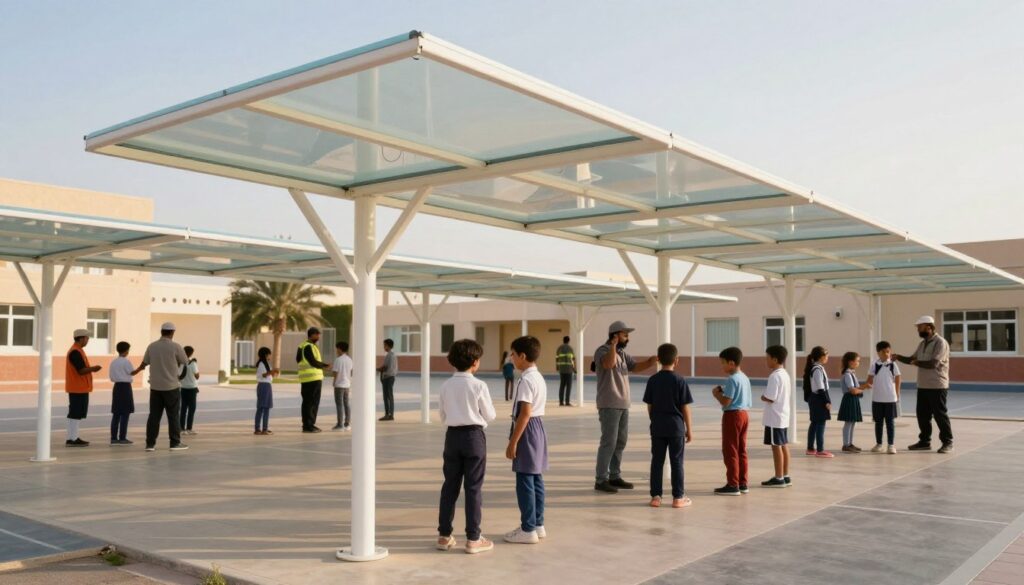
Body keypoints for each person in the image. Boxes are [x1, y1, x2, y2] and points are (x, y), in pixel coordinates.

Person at [436, 339, 497, 555]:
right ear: (474, 361)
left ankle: (444, 535)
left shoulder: (445, 385)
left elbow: (442, 414)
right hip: (473, 437)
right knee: (473, 488)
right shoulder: (479, 385)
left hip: (452, 437)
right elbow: (490, 414)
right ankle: (473, 538)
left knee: (449, 486)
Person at [593, 321, 657, 494]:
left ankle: (614, 476)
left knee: (620, 442)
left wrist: (651, 361)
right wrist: (613, 345)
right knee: (609, 442)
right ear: (615, 335)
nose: (627, 337)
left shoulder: (622, 353)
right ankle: (601, 479)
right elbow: (608, 364)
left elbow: (635, 367)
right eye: (625, 334)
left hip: (623, 404)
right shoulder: (603, 351)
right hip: (609, 404)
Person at [504, 336, 549, 545]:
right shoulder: (538, 377)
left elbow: (524, 413)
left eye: (513, 354)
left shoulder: (525, 380)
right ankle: (538, 524)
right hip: (538, 427)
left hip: (527, 429)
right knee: (536, 478)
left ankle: (527, 528)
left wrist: (513, 442)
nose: (511, 358)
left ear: (522, 356)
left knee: (524, 481)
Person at [642, 343, 693, 509]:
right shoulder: (679, 380)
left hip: (657, 427)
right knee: (677, 461)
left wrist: (654, 419)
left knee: (657, 461)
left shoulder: (653, 380)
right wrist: (689, 430)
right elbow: (685, 407)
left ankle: (656, 497)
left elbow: (649, 405)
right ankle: (678, 497)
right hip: (676, 427)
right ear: (676, 361)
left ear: (658, 359)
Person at [894, 316, 954, 453]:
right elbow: (911, 359)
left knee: (940, 414)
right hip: (923, 385)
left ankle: (948, 442)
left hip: (937, 385)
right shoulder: (922, 343)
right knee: (922, 415)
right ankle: (924, 441)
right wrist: (898, 357)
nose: (918, 330)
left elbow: (934, 364)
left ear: (929, 327)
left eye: (919, 327)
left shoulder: (941, 343)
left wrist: (916, 362)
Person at [138, 322, 189, 452]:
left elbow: (145, 362)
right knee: (173, 416)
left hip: (155, 387)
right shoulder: (176, 347)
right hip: (171, 387)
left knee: (154, 416)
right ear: (172, 332)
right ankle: (174, 443)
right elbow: (185, 362)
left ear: (162, 332)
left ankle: (150, 444)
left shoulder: (152, 346)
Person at [711, 346, 751, 496]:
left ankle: (732, 484)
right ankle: (743, 482)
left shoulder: (732, 379)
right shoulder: (744, 377)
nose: (722, 366)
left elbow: (726, 401)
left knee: (730, 450)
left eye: (723, 363)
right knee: (741, 449)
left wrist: (716, 394)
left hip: (732, 416)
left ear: (732, 363)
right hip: (744, 414)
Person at [760, 345, 792, 488]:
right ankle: (785, 475)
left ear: (774, 359)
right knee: (783, 445)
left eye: (767, 358)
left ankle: (778, 477)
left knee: (776, 446)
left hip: (774, 417)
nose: (766, 361)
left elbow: (770, 397)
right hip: (783, 415)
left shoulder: (774, 376)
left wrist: (763, 397)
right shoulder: (784, 374)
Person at [65, 328, 102, 447]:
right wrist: (93, 369)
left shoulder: (78, 350)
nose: (88, 340)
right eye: (87, 338)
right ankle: (72, 438)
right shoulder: (75, 352)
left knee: (76, 413)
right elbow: (81, 370)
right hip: (77, 387)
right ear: (81, 338)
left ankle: (73, 437)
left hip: (79, 387)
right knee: (75, 413)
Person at [866, 341, 901, 454]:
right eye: (884, 352)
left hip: (890, 399)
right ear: (878, 353)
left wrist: (897, 393)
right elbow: (869, 379)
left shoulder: (893, 365)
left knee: (890, 422)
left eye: (888, 351)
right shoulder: (874, 365)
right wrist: (861, 387)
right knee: (878, 422)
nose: (886, 354)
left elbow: (898, 378)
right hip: (877, 399)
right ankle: (879, 444)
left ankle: (891, 445)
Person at [296, 327, 330, 433]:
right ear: (311, 335)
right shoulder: (308, 346)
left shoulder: (302, 346)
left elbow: (298, 360)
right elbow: (313, 362)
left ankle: (307, 425)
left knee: (307, 403)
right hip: (313, 379)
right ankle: (309, 425)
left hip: (306, 379)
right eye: (317, 334)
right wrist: (325, 366)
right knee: (312, 403)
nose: (319, 336)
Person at [109, 341, 142, 445]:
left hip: (117, 387)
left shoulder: (113, 362)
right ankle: (122, 437)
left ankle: (113, 438)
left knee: (116, 413)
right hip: (125, 388)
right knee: (125, 413)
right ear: (127, 350)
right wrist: (140, 368)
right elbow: (132, 372)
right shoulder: (126, 362)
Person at [803, 346, 833, 458]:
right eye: (826, 356)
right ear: (821, 357)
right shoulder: (817, 370)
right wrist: (826, 401)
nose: (827, 358)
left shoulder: (817, 368)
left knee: (815, 423)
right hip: (818, 398)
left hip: (815, 397)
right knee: (820, 423)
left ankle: (810, 448)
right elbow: (821, 388)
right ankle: (820, 450)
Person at [838, 352, 869, 453]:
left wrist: (862, 388)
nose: (858, 363)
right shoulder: (847, 374)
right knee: (849, 422)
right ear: (851, 362)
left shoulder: (851, 373)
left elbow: (856, 389)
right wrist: (863, 388)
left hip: (853, 399)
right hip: (849, 398)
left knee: (852, 422)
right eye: (857, 361)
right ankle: (846, 444)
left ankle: (849, 443)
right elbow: (853, 390)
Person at [254, 347, 279, 435]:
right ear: (265, 355)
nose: (270, 356)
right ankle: (263, 429)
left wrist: (274, 372)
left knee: (262, 408)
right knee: (264, 408)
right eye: (269, 354)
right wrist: (272, 371)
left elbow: (268, 374)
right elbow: (264, 375)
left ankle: (260, 428)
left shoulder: (265, 363)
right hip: (264, 385)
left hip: (266, 385)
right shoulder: (262, 364)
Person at [332, 341, 354, 431]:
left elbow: (335, 372)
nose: (336, 350)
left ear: (340, 349)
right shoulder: (349, 359)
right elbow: (351, 372)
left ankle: (340, 424)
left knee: (339, 404)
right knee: (346, 404)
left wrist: (334, 381)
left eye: (337, 348)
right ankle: (347, 424)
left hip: (339, 384)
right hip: (347, 384)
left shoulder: (338, 360)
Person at [178, 346, 200, 435]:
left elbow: (178, 375)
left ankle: (181, 429)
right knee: (192, 409)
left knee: (183, 409)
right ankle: (189, 428)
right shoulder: (193, 363)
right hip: (192, 389)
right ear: (191, 353)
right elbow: (197, 376)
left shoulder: (180, 363)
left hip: (183, 388)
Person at [377, 338, 398, 421]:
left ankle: (388, 414)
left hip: (388, 378)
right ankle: (390, 414)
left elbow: (385, 367)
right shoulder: (392, 355)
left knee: (387, 396)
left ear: (388, 346)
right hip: (390, 377)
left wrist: (377, 369)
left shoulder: (389, 355)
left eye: (385, 345)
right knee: (389, 396)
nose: (384, 347)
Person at [555, 336, 576, 407]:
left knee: (562, 385)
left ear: (563, 340)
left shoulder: (559, 348)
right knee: (568, 386)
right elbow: (573, 360)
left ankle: (561, 402)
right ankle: (567, 402)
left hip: (562, 369)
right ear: (568, 341)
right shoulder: (570, 349)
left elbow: (557, 359)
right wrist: (574, 369)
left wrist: (557, 367)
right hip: (569, 369)